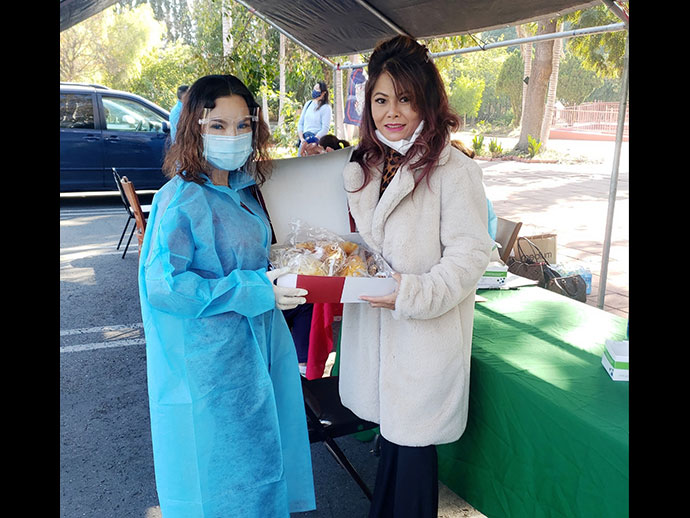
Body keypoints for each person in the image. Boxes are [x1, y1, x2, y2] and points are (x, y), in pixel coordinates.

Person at [138, 74, 316, 518]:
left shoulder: (240, 189)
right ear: (193, 127)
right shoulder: (182, 199)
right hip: (212, 365)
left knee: (263, 462)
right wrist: (254, 288)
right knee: (222, 479)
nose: (232, 136)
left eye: (242, 125)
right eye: (217, 125)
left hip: (257, 348)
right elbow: (166, 286)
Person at [338, 35, 493, 518]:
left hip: (422, 339)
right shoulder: (368, 163)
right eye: (381, 100)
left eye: (405, 98)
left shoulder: (454, 170)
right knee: (394, 449)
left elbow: (471, 256)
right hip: (377, 336)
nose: (392, 112)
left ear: (427, 99)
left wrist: (411, 293)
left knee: (413, 459)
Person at [297, 81, 332, 156]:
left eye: (317, 89)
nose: (314, 91)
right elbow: (300, 123)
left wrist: (313, 140)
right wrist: (302, 139)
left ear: (323, 93)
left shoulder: (326, 108)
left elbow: (325, 128)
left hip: (316, 140)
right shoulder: (308, 104)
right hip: (304, 139)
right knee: (299, 160)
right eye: (314, 89)